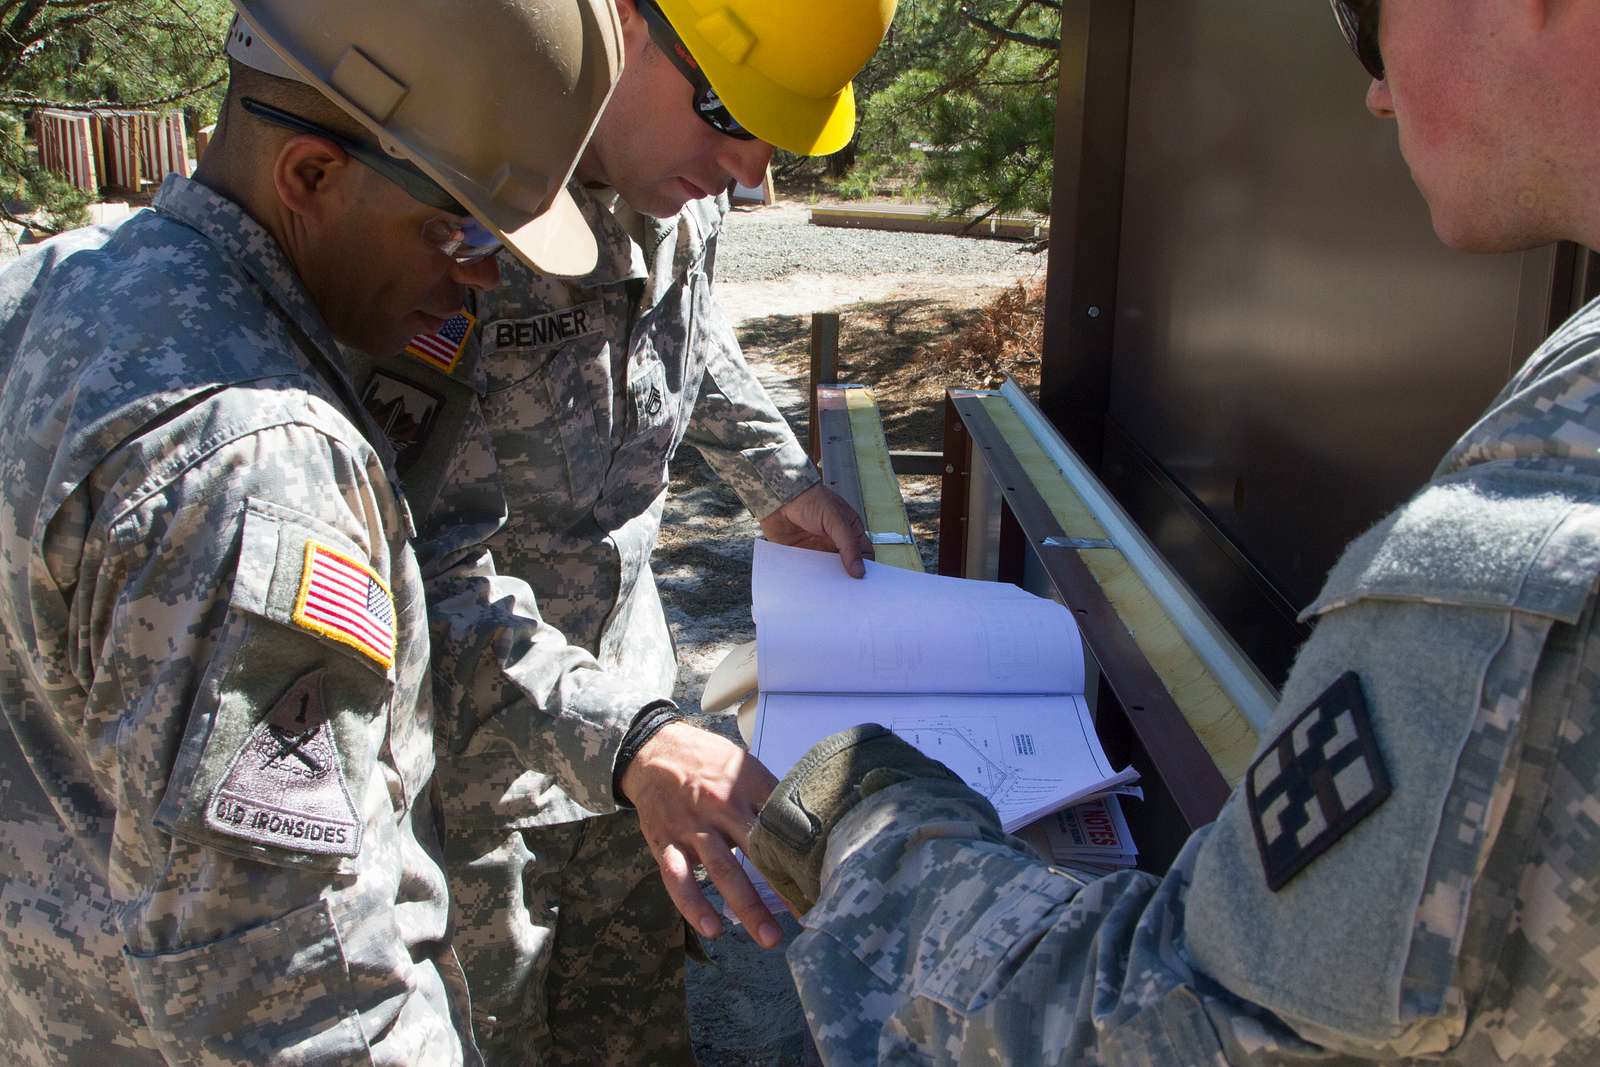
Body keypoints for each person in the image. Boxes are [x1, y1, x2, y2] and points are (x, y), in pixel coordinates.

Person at [745, 1, 1600, 1063]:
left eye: (1367, 15)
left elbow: (1192, 1025)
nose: (1374, 87)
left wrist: (869, 813)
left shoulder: (1563, 497)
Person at [0, 1, 622, 1062]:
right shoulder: (259, 463)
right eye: (459, 228)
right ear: (311, 177)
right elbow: (298, 1000)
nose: (478, 277)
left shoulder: (56, 292)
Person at [336, 1, 896, 1061]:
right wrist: (630, 739)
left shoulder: (675, 183)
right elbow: (411, 570)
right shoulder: (450, 208)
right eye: (731, 113)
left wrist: (773, 475)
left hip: (635, 718)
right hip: (470, 773)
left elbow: (692, 333)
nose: (744, 163)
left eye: (773, 132)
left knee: (633, 1029)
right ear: (623, 27)